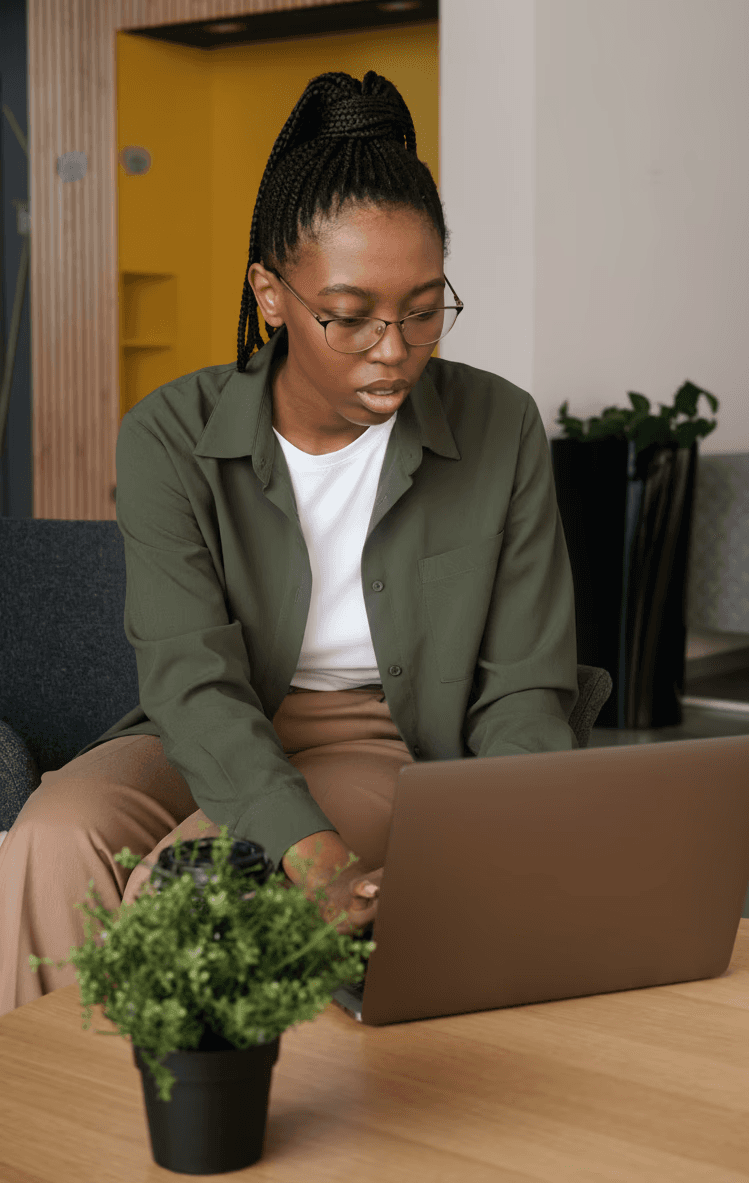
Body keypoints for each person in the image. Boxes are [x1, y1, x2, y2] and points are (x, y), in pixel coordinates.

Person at [0, 70, 578, 1015]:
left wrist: (505, 837)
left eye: (423, 309)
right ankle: (54, 1100)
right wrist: (310, 852)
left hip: (383, 736)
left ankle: (189, 1100)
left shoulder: (498, 425)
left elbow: (525, 684)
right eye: (349, 315)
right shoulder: (169, 434)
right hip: (207, 722)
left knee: (194, 889)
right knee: (50, 837)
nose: (394, 348)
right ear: (270, 294)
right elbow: (190, 678)